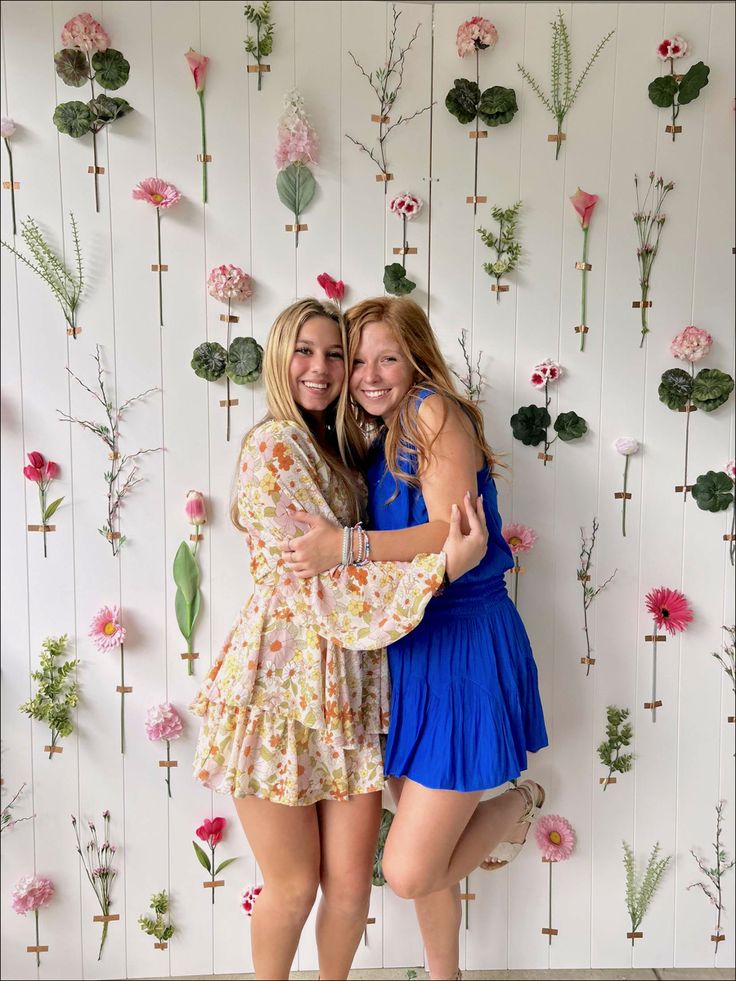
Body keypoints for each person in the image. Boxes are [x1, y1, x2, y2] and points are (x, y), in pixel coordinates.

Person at [190, 297, 487, 981]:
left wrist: (421, 556)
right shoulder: (271, 447)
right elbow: (319, 584)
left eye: (336, 353)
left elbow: (353, 561)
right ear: (278, 359)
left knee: (353, 886)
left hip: (348, 685)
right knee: (293, 886)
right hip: (280, 687)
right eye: (308, 351)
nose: (323, 368)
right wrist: (440, 565)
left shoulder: (346, 450)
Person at [283, 296, 548, 981]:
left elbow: (447, 533)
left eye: (387, 358)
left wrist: (343, 546)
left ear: (417, 359)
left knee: (406, 869)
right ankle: (445, 975)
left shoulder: (433, 409)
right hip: (409, 649)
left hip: (463, 645)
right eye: (359, 358)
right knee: (426, 840)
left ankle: (520, 804)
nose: (368, 374)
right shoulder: (381, 430)